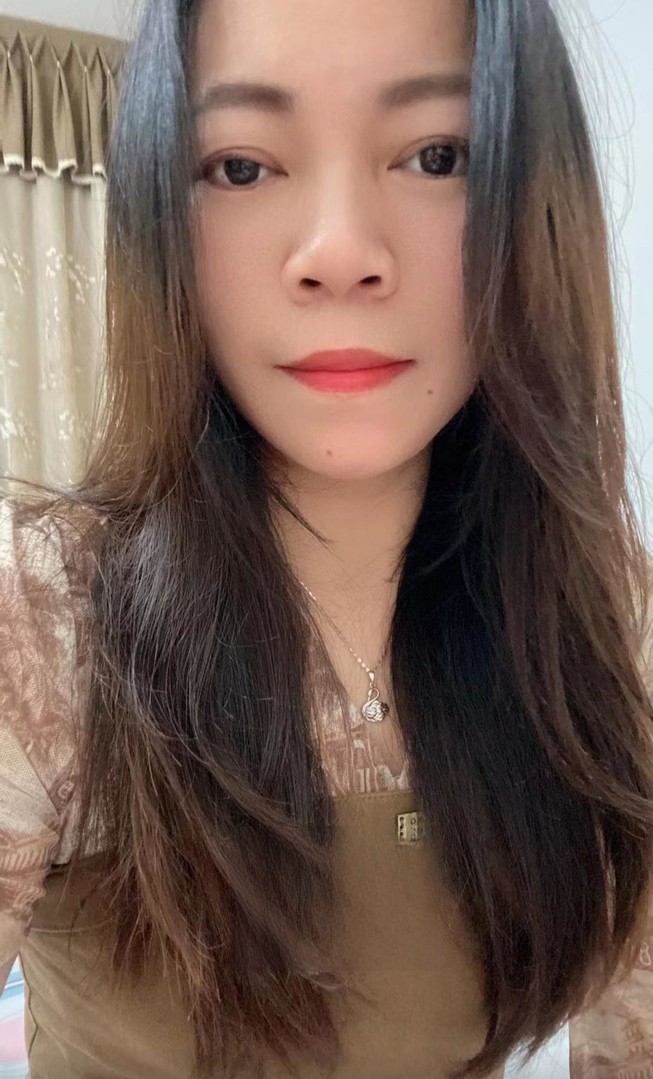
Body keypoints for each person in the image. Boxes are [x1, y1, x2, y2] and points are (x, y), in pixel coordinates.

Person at [0, 0, 652, 1076]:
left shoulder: (604, 616)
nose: (339, 252)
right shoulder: (42, 617)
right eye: (242, 166)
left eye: (436, 155)